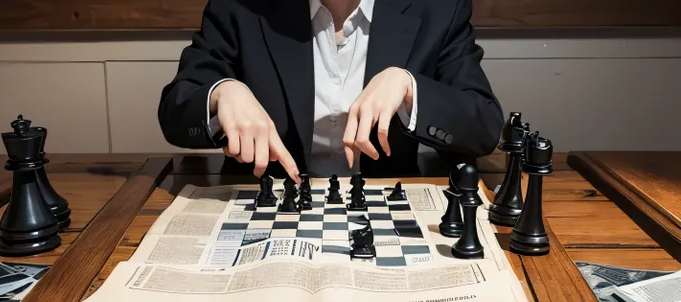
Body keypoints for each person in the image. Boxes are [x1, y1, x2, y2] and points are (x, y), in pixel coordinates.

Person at [158, 0, 503, 182]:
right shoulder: (240, 5)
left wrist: (410, 87)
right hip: (268, 210)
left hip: (385, 211)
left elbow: (484, 125)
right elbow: (176, 110)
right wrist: (222, 93)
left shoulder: (439, 7)